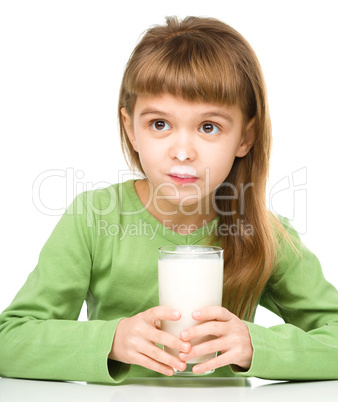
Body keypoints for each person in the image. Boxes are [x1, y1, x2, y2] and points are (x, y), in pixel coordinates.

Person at [0, 16, 337, 384]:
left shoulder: (264, 233)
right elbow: (10, 340)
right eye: (160, 124)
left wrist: (257, 346)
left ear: (245, 137)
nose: (182, 152)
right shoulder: (93, 219)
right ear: (130, 127)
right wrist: (109, 340)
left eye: (208, 127)